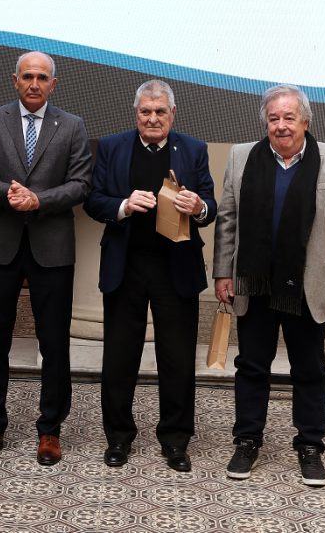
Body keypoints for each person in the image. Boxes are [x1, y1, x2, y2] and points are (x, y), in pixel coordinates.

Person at [213, 84, 325, 487]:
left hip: (309, 284)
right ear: (266, 122)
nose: (281, 126)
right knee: (252, 366)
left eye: (288, 118)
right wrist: (223, 273)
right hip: (255, 282)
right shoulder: (242, 157)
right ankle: (247, 441)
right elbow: (227, 220)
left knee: (309, 368)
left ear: (305, 121)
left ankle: (310, 446)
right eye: (274, 118)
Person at [83, 79, 216, 471]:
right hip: (126, 266)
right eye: (146, 111)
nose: (153, 118)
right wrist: (123, 204)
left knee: (176, 358)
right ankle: (119, 437)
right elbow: (93, 199)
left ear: (172, 114)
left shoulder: (194, 149)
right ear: (135, 113)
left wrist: (198, 207)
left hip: (176, 268)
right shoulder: (111, 147)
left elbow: (211, 205)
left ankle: (175, 440)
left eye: (160, 112)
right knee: (120, 357)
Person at [0, 51, 91, 466]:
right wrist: (9, 194)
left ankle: (50, 430)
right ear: (14, 81)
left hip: (51, 247)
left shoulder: (72, 125)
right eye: (27, 77)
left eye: (42, 77)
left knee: (54, 342)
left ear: (53, 84)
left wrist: (39, 199)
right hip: (1, 245)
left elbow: (80, 185)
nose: (34, 83)